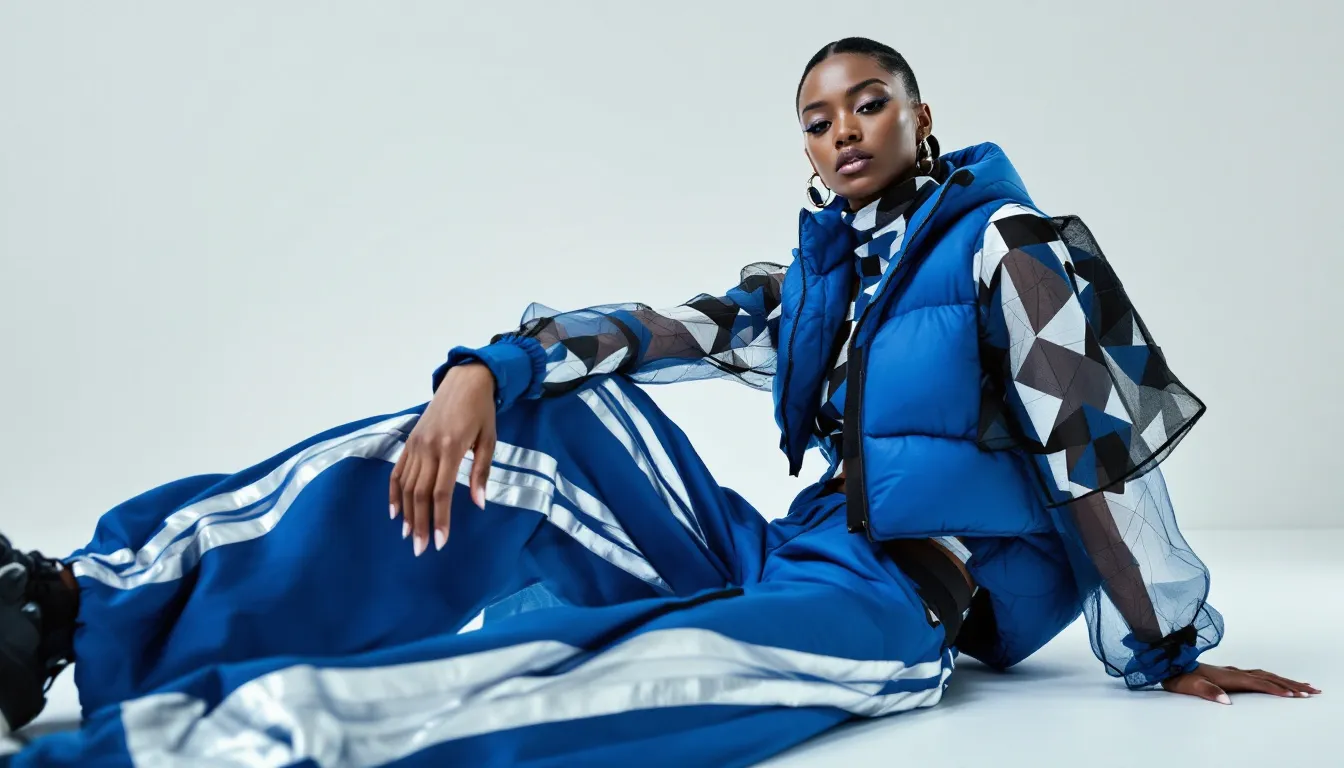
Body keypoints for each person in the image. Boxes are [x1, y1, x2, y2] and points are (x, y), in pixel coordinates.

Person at [0, 37, 1318, 767]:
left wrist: (1167, 644)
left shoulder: (1017, 245)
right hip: (782, 543)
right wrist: (490, 370)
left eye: (868, 104)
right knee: (537, 428)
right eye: (816, 117)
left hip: (893, 606)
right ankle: (61, 608)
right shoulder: (825, 279)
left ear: (924, 116)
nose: (842, 130)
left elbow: (1104, 452)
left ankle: (182, 754)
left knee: (607, 682)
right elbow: (674, 330)